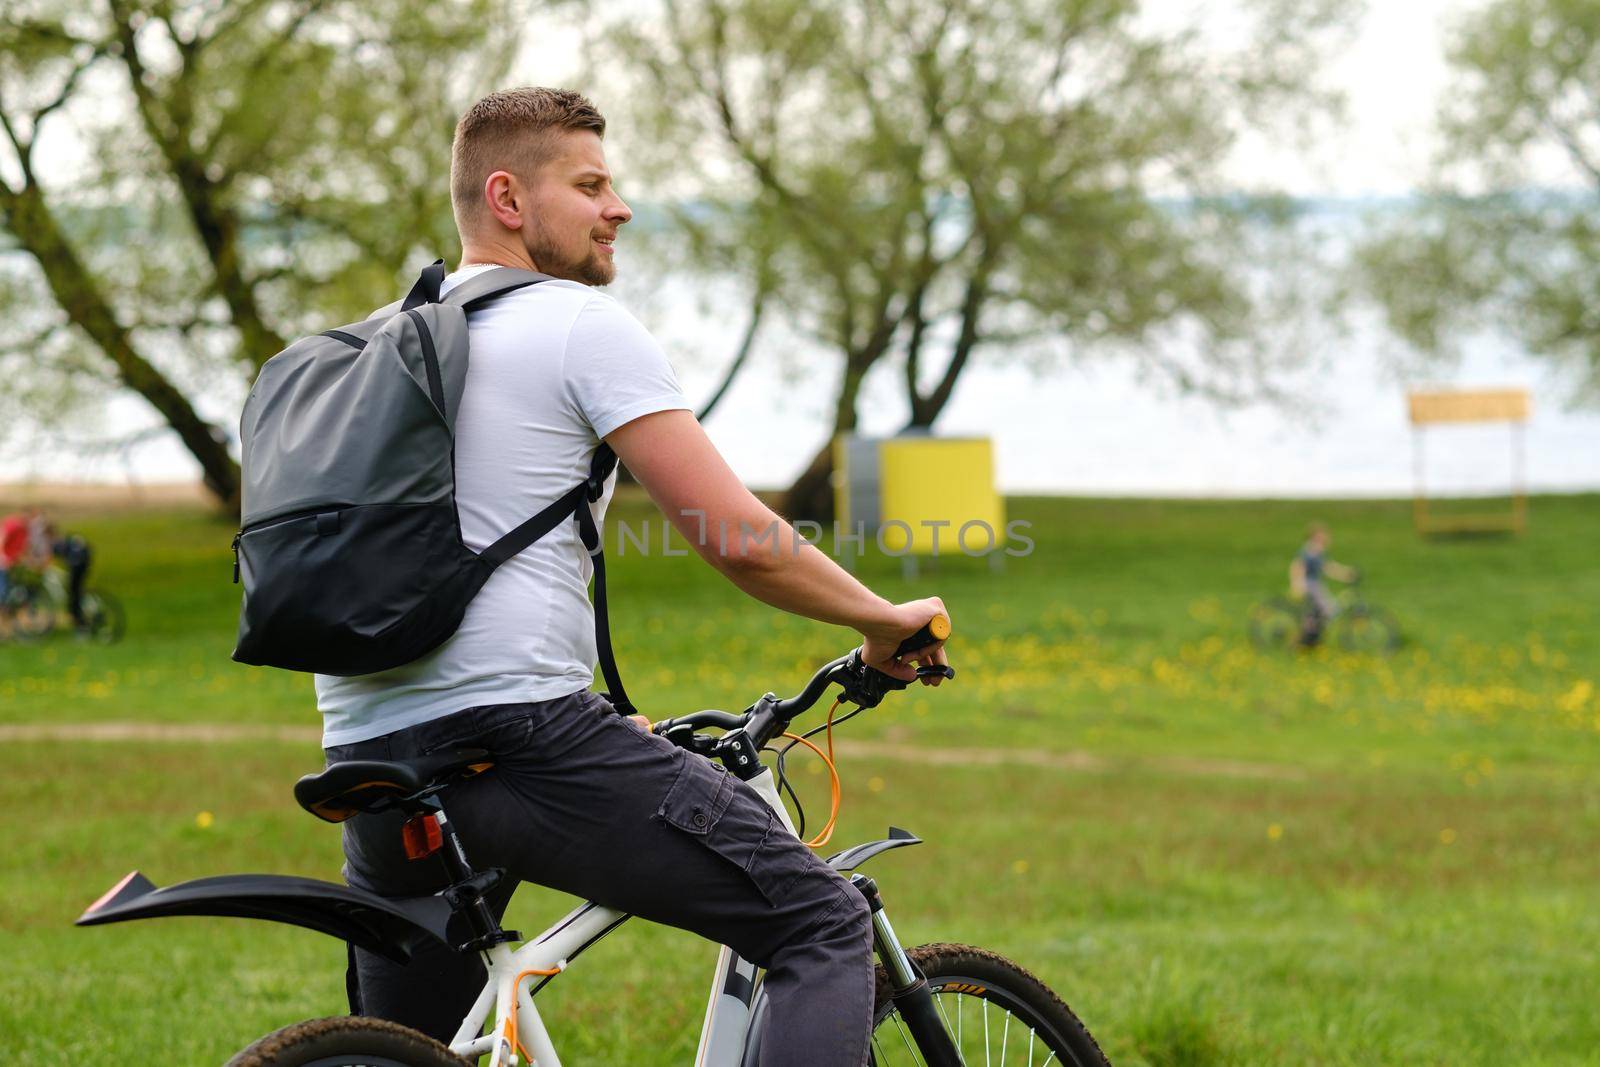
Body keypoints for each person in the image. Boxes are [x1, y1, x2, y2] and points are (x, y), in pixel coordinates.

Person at [317, 88, 950, 1064]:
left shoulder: (377, 344)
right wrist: (879, 617)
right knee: (820, 922)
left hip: (372, 753)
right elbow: (736, 535)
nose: (619, 207)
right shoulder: (573, 322)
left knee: (415, 1045)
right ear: (508, 199)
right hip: (516, 736)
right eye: (590, 184)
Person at [1289, 522, 1356, 646]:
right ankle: (1306, 637)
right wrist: (1297, 584)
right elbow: (1297, 565)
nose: (1326, 539)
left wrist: (1346, 573)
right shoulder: (1309, 550)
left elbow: (1328, 567)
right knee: (1329, 609)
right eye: (1323, 536)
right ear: (1315, 537)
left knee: (1321, 613)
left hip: (1316, 584)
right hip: (1310, 585)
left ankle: (1313, 637)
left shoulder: (1317, 551)